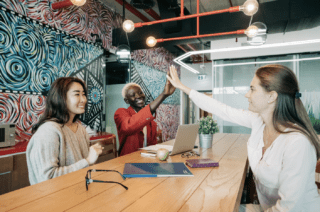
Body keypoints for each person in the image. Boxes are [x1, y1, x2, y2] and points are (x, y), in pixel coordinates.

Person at [166, 65, 320, 211]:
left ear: (271, 96)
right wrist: (182, 87)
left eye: (252, 89)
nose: (247, 94)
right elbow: (222, 109)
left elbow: (289, 208)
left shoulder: (297, 143)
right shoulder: (259, 121)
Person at [26, 77, 103, 185]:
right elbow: (47, 179)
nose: (83, 100)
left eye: (84, 94)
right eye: (77, 94)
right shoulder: (48, 131)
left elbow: (86, 171)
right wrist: (88, 161)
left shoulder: (80, 129)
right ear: (61, 98)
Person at [114, 71, 176, 156]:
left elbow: (152, 146)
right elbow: (129, 126)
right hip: (128, 161)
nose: (138, 96)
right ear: (127, 101)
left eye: (140, 93)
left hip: (147, 160)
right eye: (133, 95)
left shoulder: (151, 122)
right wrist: (164, 95)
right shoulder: (121, 113)